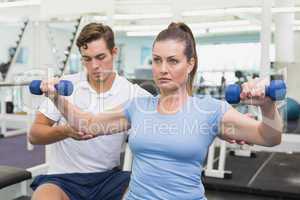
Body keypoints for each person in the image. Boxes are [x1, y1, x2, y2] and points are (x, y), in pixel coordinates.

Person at [38, 22, 283, 200]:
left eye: (172, 61)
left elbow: (269, 137)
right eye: (157, 60)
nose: (162, 69)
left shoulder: (210, 110)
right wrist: (55, 97)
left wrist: (267, 105)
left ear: (190, 63)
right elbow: (87, 124)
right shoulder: (138, 106)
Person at [29, 23, 150, 200]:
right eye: (87, 59)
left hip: (108, 178)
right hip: (62, 179)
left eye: (101, 57)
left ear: (114, 52)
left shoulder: (134, 93)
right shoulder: (63, 86)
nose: (94, 65)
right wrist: (65, 131)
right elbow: (34, 135)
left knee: (145, 189)